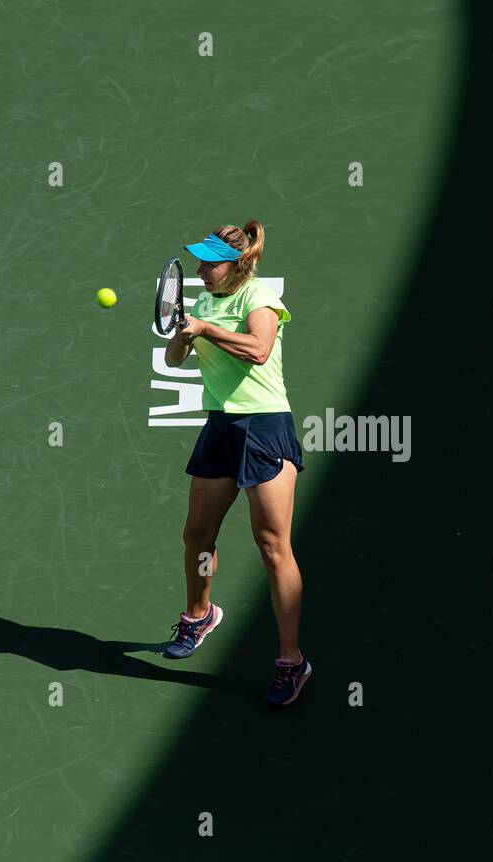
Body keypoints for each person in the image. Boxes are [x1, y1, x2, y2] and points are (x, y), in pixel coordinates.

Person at [161, 220, 311, 707]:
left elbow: (259, 349)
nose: (202, 271)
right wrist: (184, 337)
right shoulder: (203, 301)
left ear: (238, 265)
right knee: (197, 534)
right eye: (200, 262)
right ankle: (198, 614)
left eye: (211, 263)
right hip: (221, 427)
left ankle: (291, 661)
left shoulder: (259, 297)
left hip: (264, 427)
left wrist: (205, 329)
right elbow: (175, 357)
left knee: (272, 546)